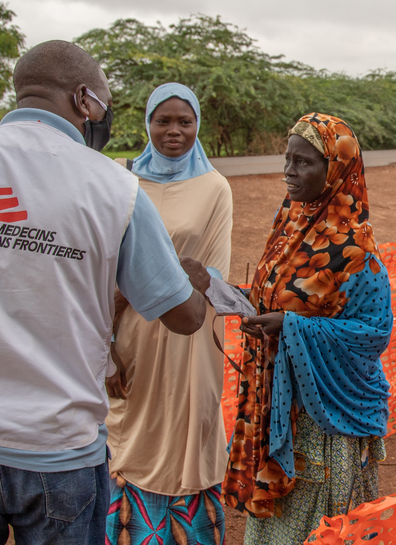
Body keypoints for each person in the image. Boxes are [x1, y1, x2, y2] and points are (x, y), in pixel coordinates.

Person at [0, 41, 207, 545]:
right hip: (61, 449)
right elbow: (183, 317)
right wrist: (192, 283)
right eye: (104, 107)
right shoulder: (117, 188)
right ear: (85, 100)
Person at [222, 113, 393, 545]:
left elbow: (373, 333)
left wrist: (291, 327)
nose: (289, 172)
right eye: (287, 159)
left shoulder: (356, 249)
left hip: (324, 418)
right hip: (276, 401)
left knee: (320, 529)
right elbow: (286, 291)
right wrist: (243, 297)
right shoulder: (290, 224)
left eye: (303, 163)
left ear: (335, 169)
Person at [104, 84, 233, 544]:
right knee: (129, 426)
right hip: (128, 330)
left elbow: (214, 268)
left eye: (185, 121)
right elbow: (103, 270)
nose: (174, 131)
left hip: (191, 330)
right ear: (147, 124)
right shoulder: (121, 180)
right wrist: (105, 350)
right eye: (163, 121)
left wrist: (177, 280)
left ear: (197, 126)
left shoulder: (215, 186)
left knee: (189, 423)